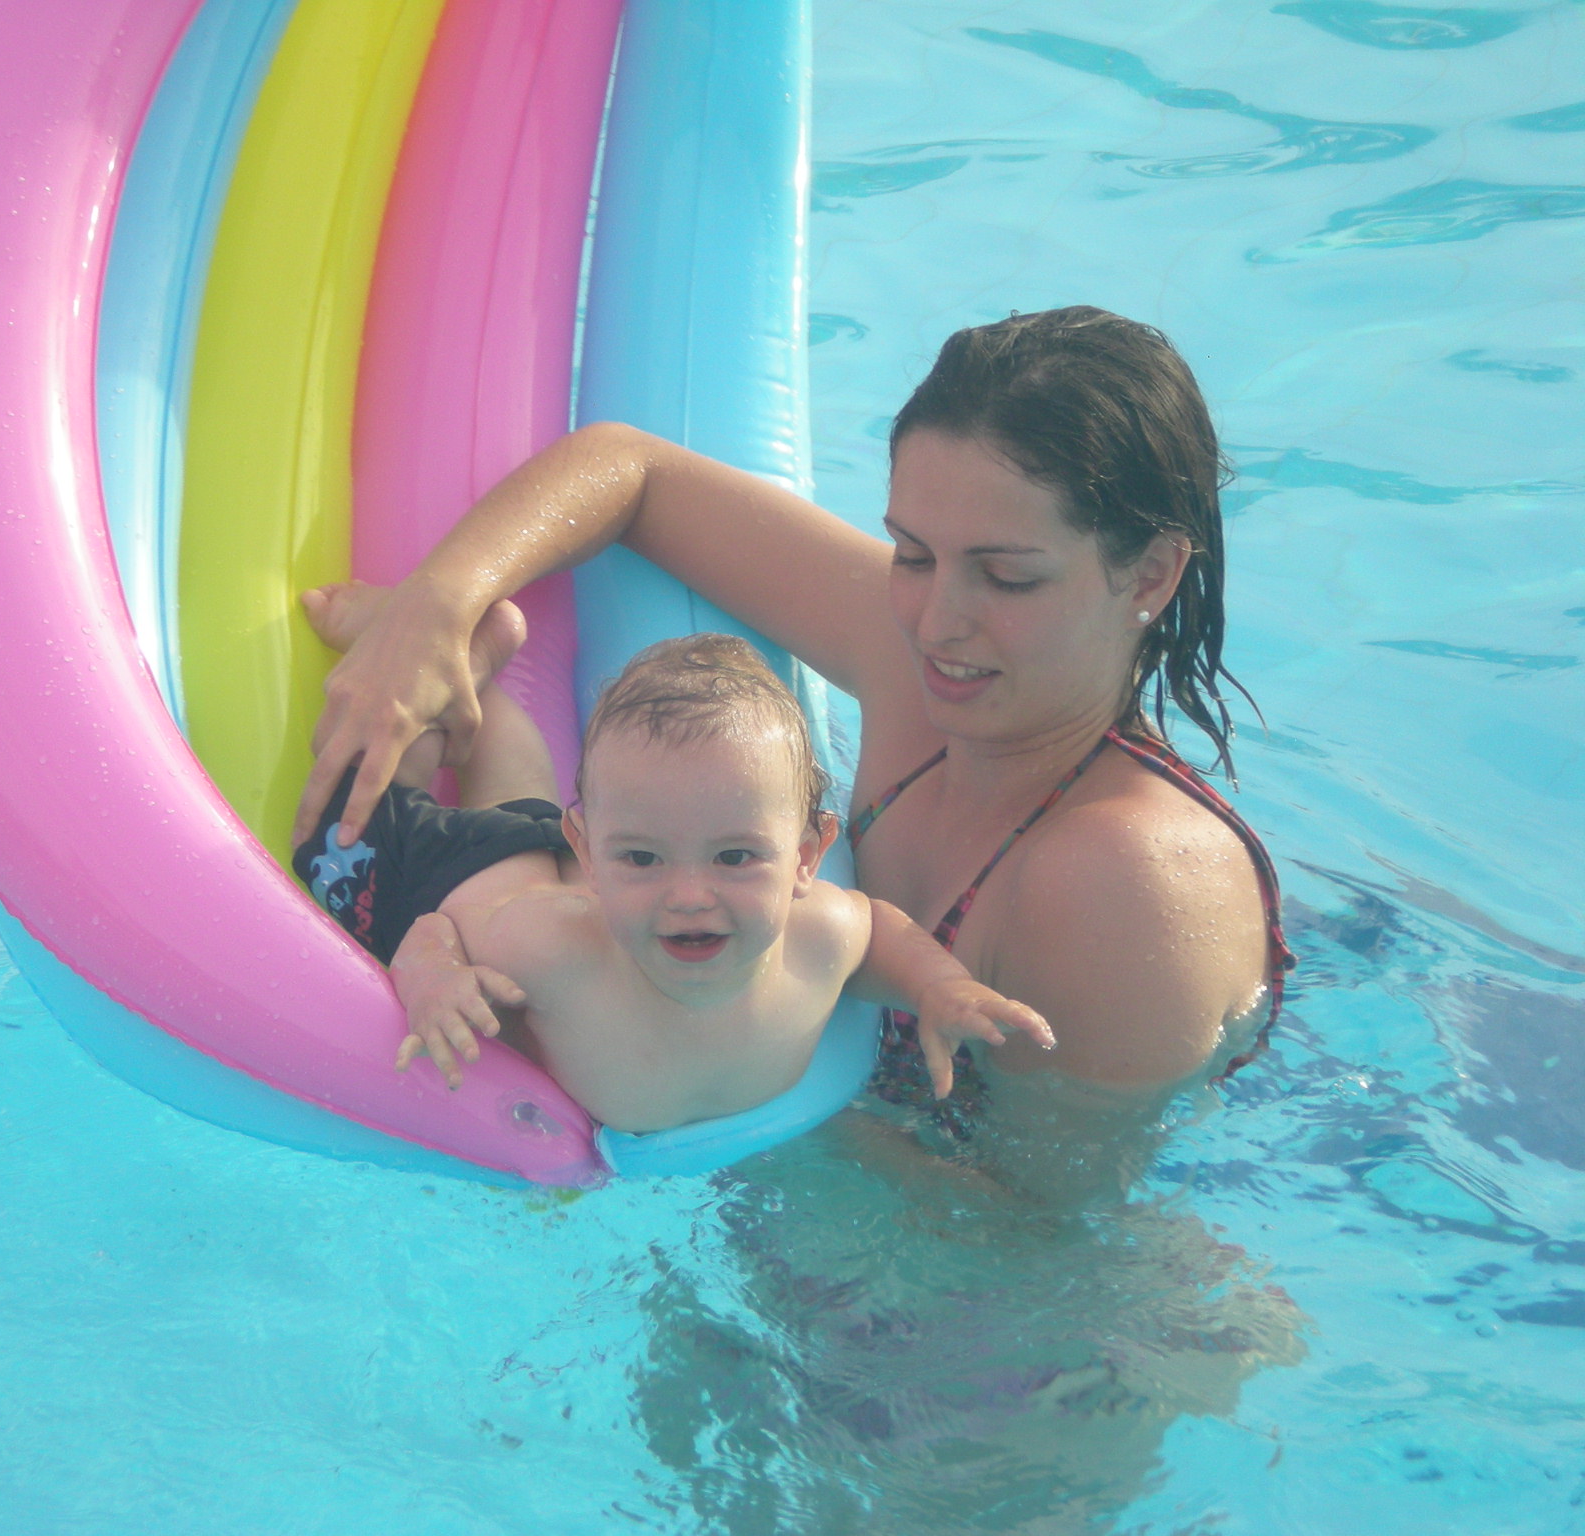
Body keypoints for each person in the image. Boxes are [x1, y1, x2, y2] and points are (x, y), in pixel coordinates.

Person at [295, 306, 1293, 1200]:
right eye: (911, 554)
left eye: (1006, 577)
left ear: (1148, 576)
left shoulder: (1126, 883)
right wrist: (437, 608)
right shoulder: (929, 660)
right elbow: (631, 472)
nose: (937, 619)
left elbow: (1037, 1230)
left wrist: (691, 1097)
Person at [291, 604, 1053, 1132]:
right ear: (592, 852)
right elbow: (437, 924)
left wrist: (937, 987)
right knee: (346, 831)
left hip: (546, 853)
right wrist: (433, 981)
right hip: (462, 868)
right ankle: (412, 663)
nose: (690, 896)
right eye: (643, 859)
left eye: (734, 856)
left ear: (806, 857)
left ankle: (476, 676)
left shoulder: (819, 935)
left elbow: (879, 930)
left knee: (518, 805)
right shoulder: (548, 955)